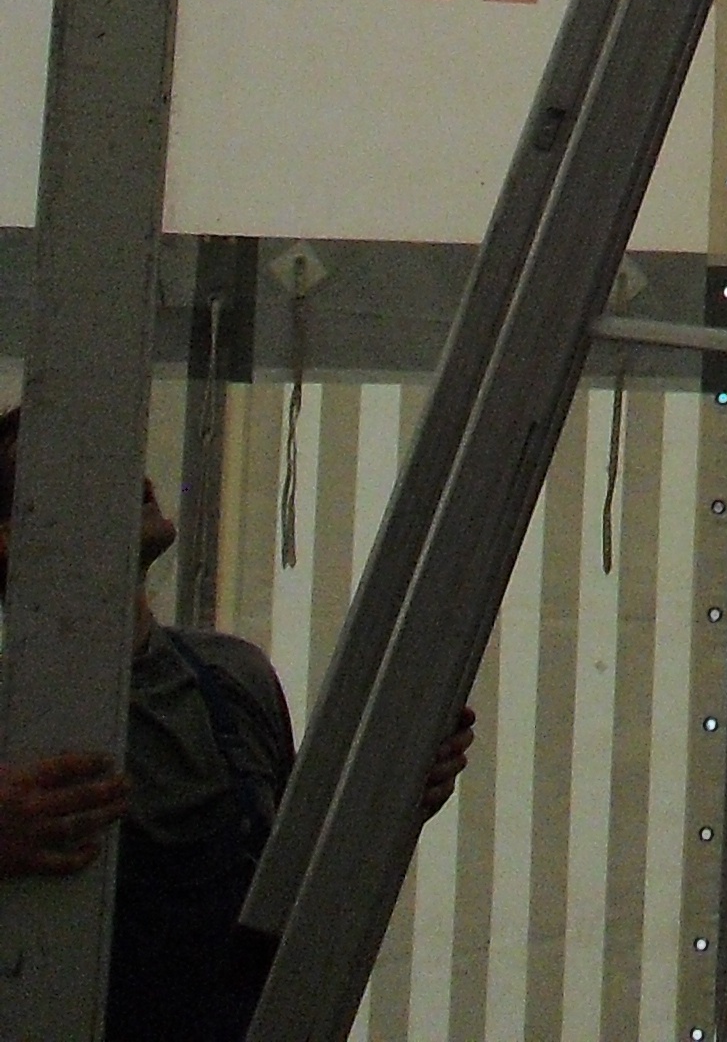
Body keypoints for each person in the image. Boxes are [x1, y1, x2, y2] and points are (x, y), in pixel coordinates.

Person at [0, 411, 471, 1042]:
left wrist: (391, 794)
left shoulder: (232, 677)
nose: (133, 474)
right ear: (11, 536)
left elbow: (299, 882)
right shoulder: (17, 711)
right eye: (81, 467)